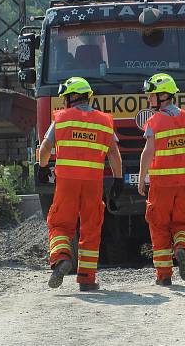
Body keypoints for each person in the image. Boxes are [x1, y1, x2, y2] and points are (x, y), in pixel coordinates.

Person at [35, 77, 123, 291]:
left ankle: (62, 257)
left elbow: (45, 146)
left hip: (66, 183)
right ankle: (87, 279)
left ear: (71, 97)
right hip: (93, 183)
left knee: (60, 224)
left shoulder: (62, 119)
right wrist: (118, 178)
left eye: (64, 97)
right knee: (91, 228)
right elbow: (113, 152)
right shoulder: (104, 121)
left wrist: (42, 166)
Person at [138, 73, 185, 286]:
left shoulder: (154, 121)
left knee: (159, 225)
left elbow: (148, 152)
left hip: (161, 183)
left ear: (164, 95)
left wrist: (142, 177)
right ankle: (182, 247)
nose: (149, 99)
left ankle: (164, 275)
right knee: (184, 222)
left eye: (152, 95)